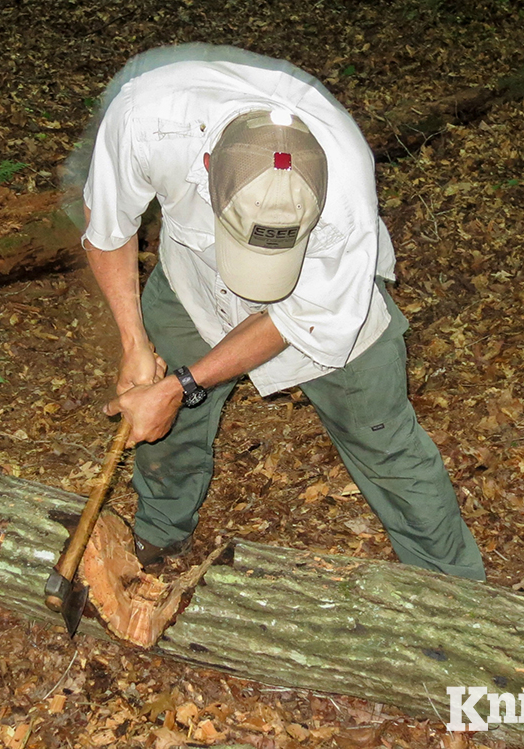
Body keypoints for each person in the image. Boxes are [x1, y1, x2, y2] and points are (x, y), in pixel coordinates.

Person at [72, 43, 485, 581]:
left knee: (383, 442)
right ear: (206, 168)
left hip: (329, 308)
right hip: (191, 280)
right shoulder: (148, 120)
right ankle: (159, 532)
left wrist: (177, 386)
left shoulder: (345, 197)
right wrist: (134, 342)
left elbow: (296, 318)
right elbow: (107, 227)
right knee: (165, 430)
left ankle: (454, 589)